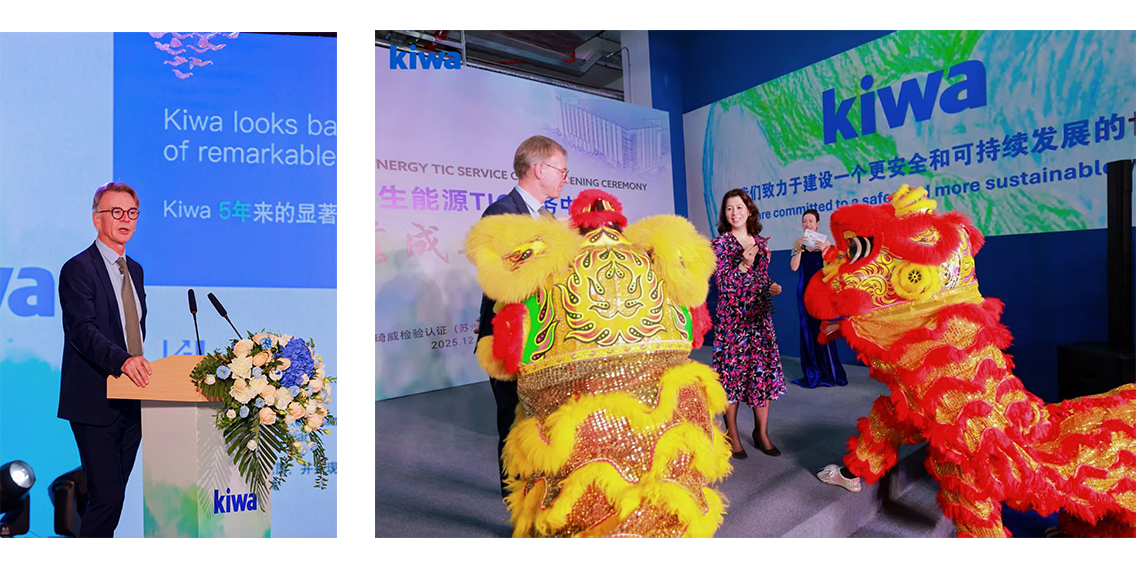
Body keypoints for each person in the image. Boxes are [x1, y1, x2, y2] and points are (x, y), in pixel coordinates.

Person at [475, 135, 568, 498]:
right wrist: (551, 245)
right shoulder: (500, 213)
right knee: (513, 422)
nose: (565, 179)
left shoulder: (547, 217)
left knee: (541, 422)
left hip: (545, 337)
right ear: (539, 169)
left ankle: (541, 495)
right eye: (562, 171)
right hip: (510, 338)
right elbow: (506, 276)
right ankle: (516, 502)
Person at [58, 182, 152, 537]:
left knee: (111, 499)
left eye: (132, 213)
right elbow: (82, 330)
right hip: (94, 399)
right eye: (115, 212)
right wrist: (123, 361)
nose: (125, 219)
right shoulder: (78, 268)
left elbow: (132, 329)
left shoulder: (135, 270)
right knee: (107, 498)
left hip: (132, 400)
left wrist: (135, 366)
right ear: (97, 219)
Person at [711, 189, 785, 459]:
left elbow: (761, 278)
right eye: (729, 208)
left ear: (749, 210)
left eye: (739, 207)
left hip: (759, 319)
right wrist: (743, 264)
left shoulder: (761, 243)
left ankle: (761, 433)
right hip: (733, 320)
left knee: (760, 376)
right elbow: (723, 285)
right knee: (731, 378)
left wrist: (772, 287)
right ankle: (731, 434)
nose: (734, 213)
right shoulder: (719, 244)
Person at [789, 209, 847, 388]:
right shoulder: (797, 242)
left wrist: (825, 251)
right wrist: (799, 250)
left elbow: (835, 266)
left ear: (817, 223)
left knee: (823, 329)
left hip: (821, 292)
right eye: (805, 221)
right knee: (807, 329)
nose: (807, 224)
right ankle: (812, 371)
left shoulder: (825, 241)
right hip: (803, 291)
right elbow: (793, 267)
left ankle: (830, 371)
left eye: (811, 221)